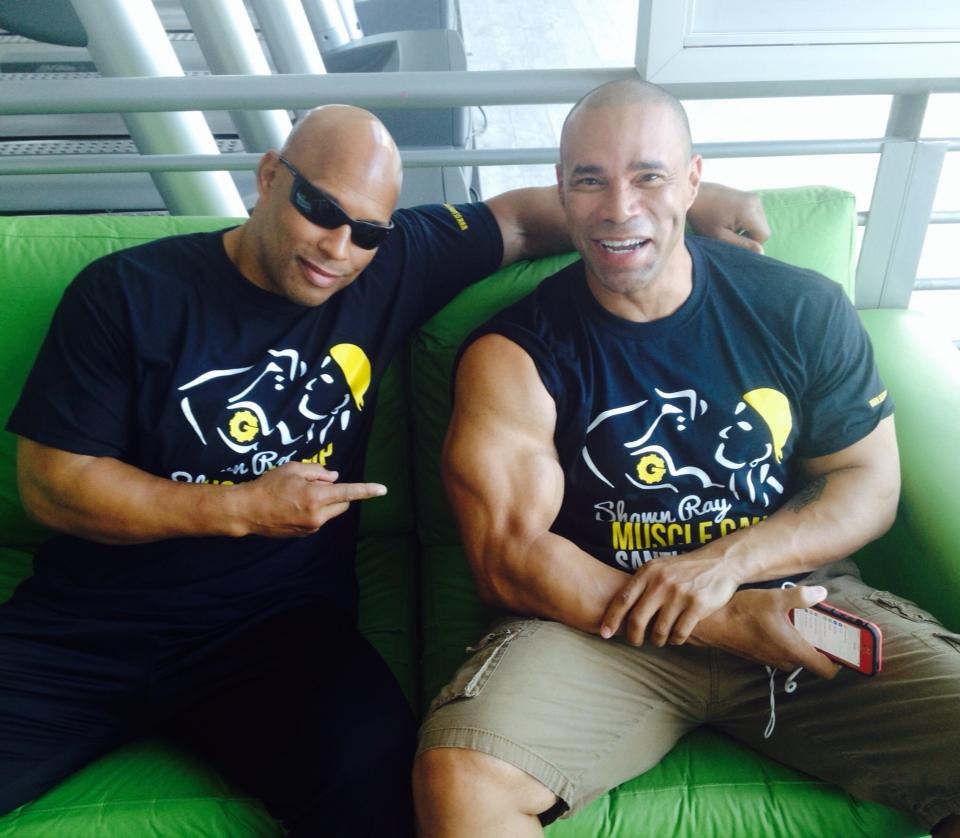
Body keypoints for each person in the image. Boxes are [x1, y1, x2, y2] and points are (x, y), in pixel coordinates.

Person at [1, 103, 769, 836]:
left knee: (382, 794)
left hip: (275, 637)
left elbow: (519, 221)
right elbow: (52, 483)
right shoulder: (127, 292)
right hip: (89, 629)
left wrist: (685, 204)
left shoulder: (389, 263)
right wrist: (239, 507)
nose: (337, 248)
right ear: (268, 176)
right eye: (320, 211)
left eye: (366, 229)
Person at [413, 80, 960, 837]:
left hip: (796, 605)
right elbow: (509, 557)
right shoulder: (515, 354)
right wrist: (722, 618)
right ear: (562, 192)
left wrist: (726, 565)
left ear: (693, 181)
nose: (619, 207)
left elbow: (867, 482)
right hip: (595, 624)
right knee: (463, 781)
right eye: (590, 181)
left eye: (649, 176)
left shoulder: (799, 308)